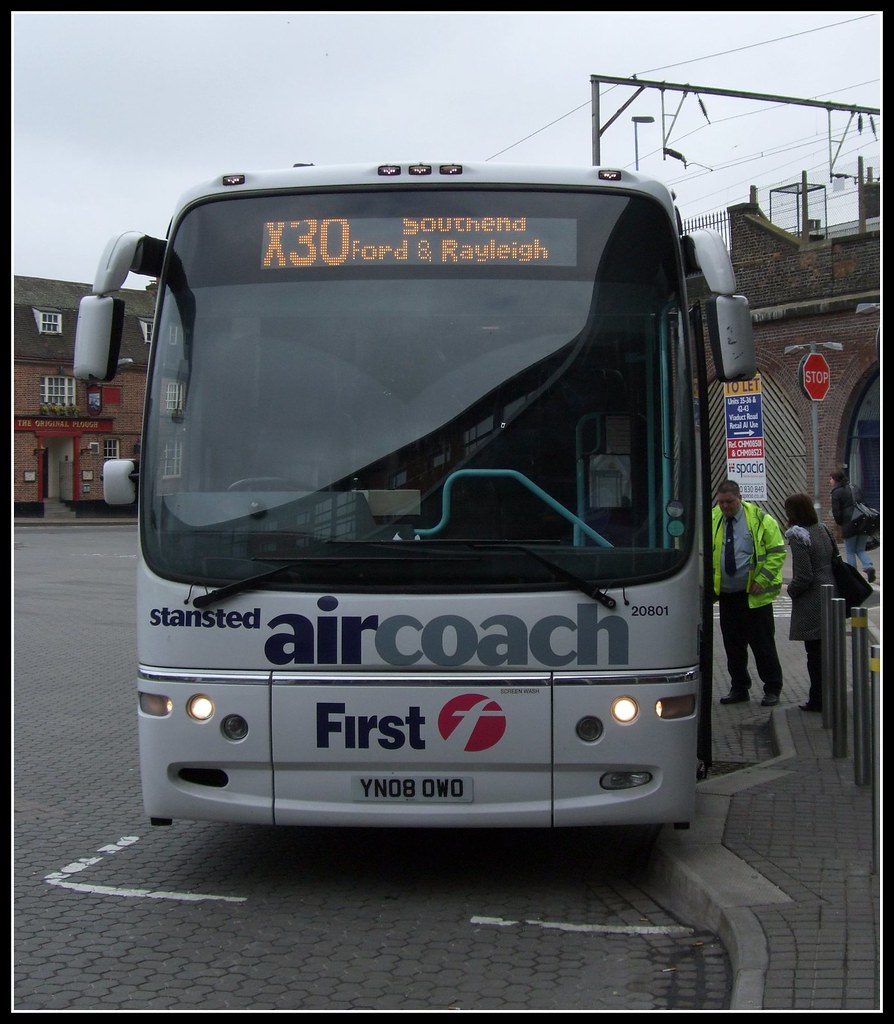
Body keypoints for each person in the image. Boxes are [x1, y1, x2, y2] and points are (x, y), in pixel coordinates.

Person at [712, 479, 786, 706]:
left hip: (754, 597)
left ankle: (772, 688)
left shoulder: (761, 520)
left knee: (762, 645)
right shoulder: (713, 518)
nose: (725, 506)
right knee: (733, 646)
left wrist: (762, 580)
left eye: (729, 502)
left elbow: (776, 553)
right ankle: (739, 688)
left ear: (739, 498)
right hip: (726, 596)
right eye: (721, 502)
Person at [783, 493, 837, 712]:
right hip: (831, 592)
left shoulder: (798, 536)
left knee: (814, 654)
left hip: (812, 600)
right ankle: (831, 695)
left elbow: (804, 575)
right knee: (827, 652)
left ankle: (818, 699)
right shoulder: (823, 529)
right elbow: (834, 557)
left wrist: (791, 590)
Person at [829, 469, 875, 582]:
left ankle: (853, 574)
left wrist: (840, 523)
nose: (830, 481)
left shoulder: (836, 492)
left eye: (831, 478)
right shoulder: (855, 487)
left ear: (835, 480)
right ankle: (868, 566)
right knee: (860, 549)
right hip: (863, 521)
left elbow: (836, 512)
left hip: (849, 523)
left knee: (850, 551)